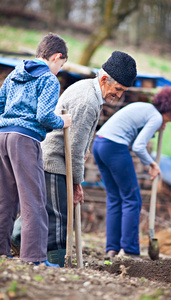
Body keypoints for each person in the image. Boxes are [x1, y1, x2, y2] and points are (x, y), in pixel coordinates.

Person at [11, 50, 138, 267]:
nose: (118, 96)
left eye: (123, 92)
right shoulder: (88, 100)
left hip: (55, 159)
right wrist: (77, 183)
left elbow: (82, 140)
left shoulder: (91, 90)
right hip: (54, 160)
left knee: (45, 208)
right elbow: (76, 148)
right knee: (60, 217)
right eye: (117, 90)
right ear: (105, 79)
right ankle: (56, 263)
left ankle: (16, 238)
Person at [0, 33, 71, 267]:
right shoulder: (49, 80)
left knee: (6, 199)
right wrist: (63, 122)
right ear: (56, 57)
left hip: (2, 136)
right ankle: (35, 257)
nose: (59, 70)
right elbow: (43, 115)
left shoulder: (14, 74)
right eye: (60, 65)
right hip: (25, 140)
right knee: (34, 200)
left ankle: (2, 251)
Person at [92, 87, 171, 258]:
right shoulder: (155, 117)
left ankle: (112, 248)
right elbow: (138, 146)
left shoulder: (146, 109)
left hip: (99, 144)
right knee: (132, 199)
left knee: (115, 198)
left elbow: (134, 136)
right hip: (114, 147)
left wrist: (155, 129)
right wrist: (151, 164)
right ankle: (129, 250)